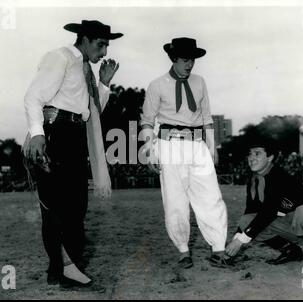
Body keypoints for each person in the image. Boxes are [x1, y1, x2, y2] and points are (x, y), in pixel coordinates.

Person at [23, 20, 123, 287]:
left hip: (76, 137)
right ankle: (62, 269)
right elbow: (33, 97)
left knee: (76, 208)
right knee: (55, 208)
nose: (104, 53)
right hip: (55, 134)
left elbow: (91, 113)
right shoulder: (62, 57)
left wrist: (103, 85)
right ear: (86, 39)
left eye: (106, 46)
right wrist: (37, 134)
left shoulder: (87, 70)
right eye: (101, 45)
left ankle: (64, 269)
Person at [140, 37, 228, 269]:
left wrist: (212, 147)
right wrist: (150, 151)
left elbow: (207, 117)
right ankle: (183, 250)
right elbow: (147, 121)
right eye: (186, 60)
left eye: (193, 60)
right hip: (169, 145)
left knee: (210, 196)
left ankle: (218, 247)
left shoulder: (200, 82)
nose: (191, 65)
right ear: (174, 59)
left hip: (197, 145)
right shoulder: (157, 85)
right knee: (175, 201)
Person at [225, 136, 303, 272]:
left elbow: (268, 211)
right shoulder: (255, 180)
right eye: (250, 154)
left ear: (270, 157)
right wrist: (235, 240)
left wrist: (240, 241)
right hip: (293, 223)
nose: (251, 158)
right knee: (247, 221)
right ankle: (291, 251)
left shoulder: (278, 176)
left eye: (257, 153)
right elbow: (251, 211)